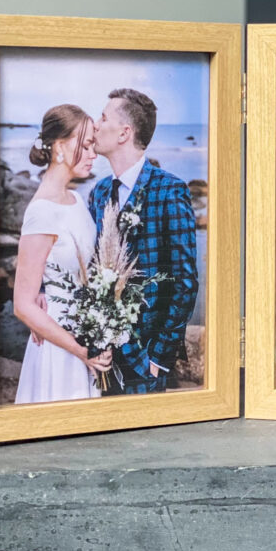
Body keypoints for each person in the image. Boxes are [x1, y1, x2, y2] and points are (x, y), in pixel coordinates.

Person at [89, 88, 198, 394]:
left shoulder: (169, 189)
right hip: (102, 356)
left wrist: (158, 359)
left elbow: (185, 281)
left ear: (124, 133)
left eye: (103, 118)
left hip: (144, 360)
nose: (95, 125)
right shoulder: (99, 192)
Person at [13, 104, 112, 404]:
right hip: (61, 347)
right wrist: (82, 351)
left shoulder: (77, 200)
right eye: (86, 145)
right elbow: (22, 305)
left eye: (93, 146)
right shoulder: (41, 211)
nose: (93, 154)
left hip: (85, 332)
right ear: (58, 147)